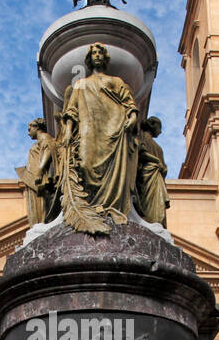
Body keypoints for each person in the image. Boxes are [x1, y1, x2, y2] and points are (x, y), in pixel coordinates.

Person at [59, 43, 139, 234]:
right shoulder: (80, 84)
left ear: (105, 58)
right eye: (93, 53)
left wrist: (133, 117)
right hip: (88, 129)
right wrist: (68, 131)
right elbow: (72, 109)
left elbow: (129, 103)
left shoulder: (116, 81)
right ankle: (91, 206)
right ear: (89, 59)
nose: (96, 55)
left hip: (114, 128)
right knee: (85, 164)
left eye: (100, 53)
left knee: (114, 170)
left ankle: (109, 207)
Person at [134, 115, 170, 225]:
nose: (160, 132)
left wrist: (163, 167)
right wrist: (157, 161)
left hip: (155, 176)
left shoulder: (155, 145)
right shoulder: (143, 138)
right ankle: (148, 221)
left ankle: (154, 223)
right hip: (147, 175)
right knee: (147, 202)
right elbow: (141, 152)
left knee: (155, 203)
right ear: (154, 126)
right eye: (160, 128)